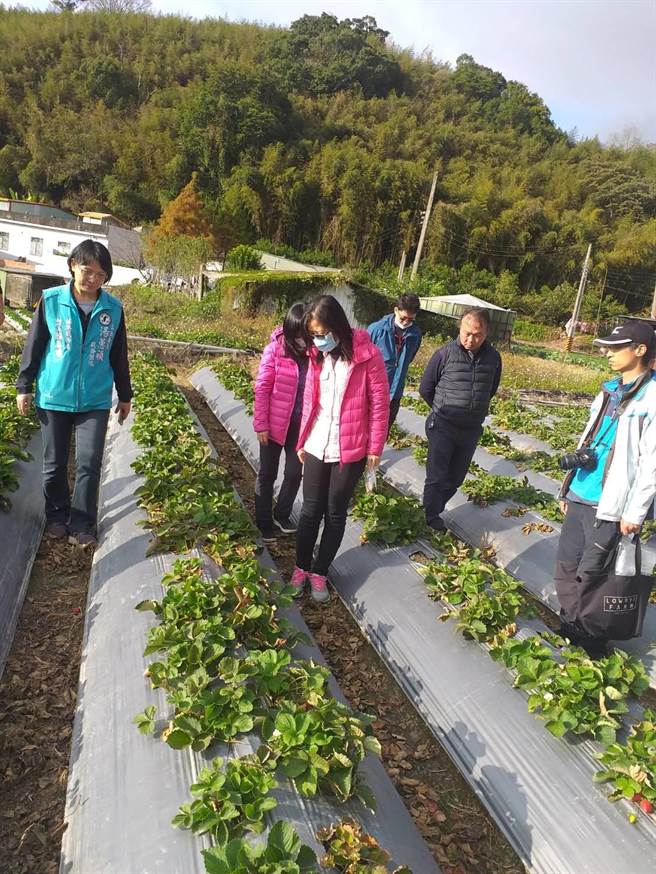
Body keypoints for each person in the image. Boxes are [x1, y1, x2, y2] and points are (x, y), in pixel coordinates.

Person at [16, 239, 132, 547]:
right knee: (54, 463)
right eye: (87, 269)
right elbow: (34, 346)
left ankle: (82, 522)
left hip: (93, 398)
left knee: (89, 462)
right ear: (72, 266)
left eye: (101, 273)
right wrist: (24, 386)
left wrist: (125, 394)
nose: (93, 278)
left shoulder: (113, 309)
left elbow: (118, 355)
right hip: (54, 395)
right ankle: (56, 515)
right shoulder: (51, 301)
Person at [554, 321, 656, 658]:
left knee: (593, 574)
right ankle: (570, 625)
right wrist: (566, 488)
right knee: (567, 566)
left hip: (610, 503)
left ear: (640, 350)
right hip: (581, 491)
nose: (609, 353)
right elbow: (588, 437)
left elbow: (651, 464)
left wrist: (635, 512)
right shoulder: (609, 389)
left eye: (617, 347)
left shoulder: (651, 398)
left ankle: (594, 641)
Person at [291, 294, 389, 603]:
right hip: (318, 443)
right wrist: (302, 439)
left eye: (321, 334)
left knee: (334, 514)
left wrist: (375, 448)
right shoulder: (316, 356)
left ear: (337, 326)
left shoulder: (367, 356)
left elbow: (379, 406)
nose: (317, 341)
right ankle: (300, 568)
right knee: (309, 511)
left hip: (351, 449)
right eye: (314, 336)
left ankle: (320, 572)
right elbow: (310, 400)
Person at [419, 307, 502, 531]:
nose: (470, 339)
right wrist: (442, 410)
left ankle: (434, 507)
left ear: (486, 333)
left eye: (477, 334)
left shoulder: (493, 358)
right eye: (466, 332)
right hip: (443, 426)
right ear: (460, 328)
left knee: (455, 478)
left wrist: (473, 409)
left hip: (471, 429)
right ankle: (430, 516)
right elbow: (426, 388)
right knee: (436, 476)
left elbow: (490, 389)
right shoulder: (444, 354)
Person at [253, 302, 309, 543]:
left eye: (305, 335)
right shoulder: (274, 350)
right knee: (267, 474)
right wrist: (261, 424)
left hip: (299, 425)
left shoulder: (314, 355)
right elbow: (263, 387)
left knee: (295, 472)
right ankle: (263, 522)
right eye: (297, 335)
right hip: (274, 424)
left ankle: (282, 514)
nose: (302, 341)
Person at [367, 293, 422, 433]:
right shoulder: (376, 330)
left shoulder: (415, 334)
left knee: (383, 431)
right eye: (403, 318)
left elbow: (409, 359)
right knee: (366, 430)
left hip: (395, 392)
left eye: (410, 319)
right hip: (372, 391)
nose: (405, 322)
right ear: (396, 310)